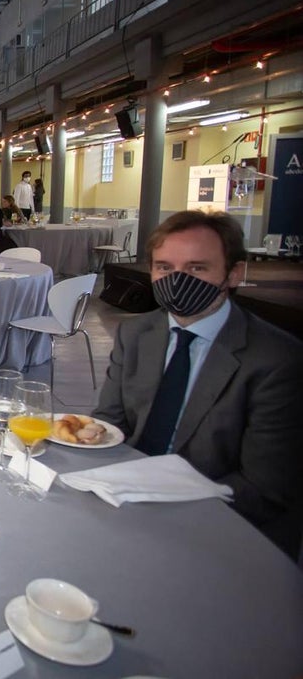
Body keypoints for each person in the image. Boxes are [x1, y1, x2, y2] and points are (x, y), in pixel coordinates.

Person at [93, 211, 303, 556]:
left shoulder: (276, 361)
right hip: (124, 506)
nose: (177, 280)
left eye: (196, 268)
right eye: (164, 267)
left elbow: (265, 489)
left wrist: (159, 513)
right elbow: (108, 426)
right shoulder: (136, 333)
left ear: (234, 273)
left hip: (219, 531)